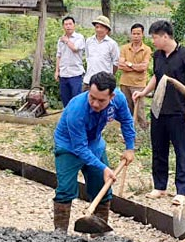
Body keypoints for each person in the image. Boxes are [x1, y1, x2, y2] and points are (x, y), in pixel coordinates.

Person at [51, 72, 136, 232]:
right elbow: (80, 148)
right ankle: (60, 234)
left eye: (101, 100)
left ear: (111, 96)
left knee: (102, 187)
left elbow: (126, 120)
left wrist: (130, 148)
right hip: (69, 146)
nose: (95, 104)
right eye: (92, 97)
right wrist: (103, 168)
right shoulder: (77, 110)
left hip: (95, 143)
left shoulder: (119, 99)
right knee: (65, 190)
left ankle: (99, 233)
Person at [132, 20, 185, 205]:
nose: (153, 41)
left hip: (179, 110)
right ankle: (160, 186)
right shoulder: (158, 56)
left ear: (165, 36)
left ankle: (182, 190)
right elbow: (156, 76)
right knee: (158, 149)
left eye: (154, 37)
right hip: (159, 109)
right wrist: (144, 92)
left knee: (182, 150)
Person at [117, 23, 151, 129]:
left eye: (138, 34)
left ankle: (143, 131)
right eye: (134, 33)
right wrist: (135, 67)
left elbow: (144, 67)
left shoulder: (146, 49)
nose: (136, 36)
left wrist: (130, 64)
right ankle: (128, 129)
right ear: (131, 34)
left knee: (139, 109)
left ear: (142, 34)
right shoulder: (124, 48)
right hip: (125, 83)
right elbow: (121, 65)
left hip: (139, 84)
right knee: (126, 108)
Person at [55, 16, 86, 107]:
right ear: (63, 26)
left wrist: (67, 41)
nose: (68, 26)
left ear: (74, 25)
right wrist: (57, 71)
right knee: (65, 99)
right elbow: (58, 55)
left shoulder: (79, 37)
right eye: (66, 24)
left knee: (76, 100)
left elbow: (75, 48)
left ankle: (77, 119)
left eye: (70, 24)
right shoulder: (60, 40)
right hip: (63, 73)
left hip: (75, 73)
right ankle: (67, 118)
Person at [83, 15, 121, 85]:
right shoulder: (89, 41)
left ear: (107, 29)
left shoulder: (112, 44)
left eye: (101, 27)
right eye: (97, 27)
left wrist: (109, 76)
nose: (98, 29)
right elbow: (87, 57)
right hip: (88, 80)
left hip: (104, 82)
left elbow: (116, 63)